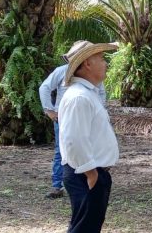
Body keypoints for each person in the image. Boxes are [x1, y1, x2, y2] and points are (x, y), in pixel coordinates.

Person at [57, 40, 119, 233]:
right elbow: (72, 140)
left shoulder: (87, 94)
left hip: (91, 173)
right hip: (86, 174)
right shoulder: (79, 97)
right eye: (100, 58)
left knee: (86, 230)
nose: (105, 62)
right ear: (86, 65)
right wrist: (91, 172)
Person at [38, 43, 107, 199]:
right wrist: (49, 110)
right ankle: (58, 185)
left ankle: (87, 181)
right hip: (64, 118)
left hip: (89, 117)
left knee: (88, 148)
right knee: (63, 150)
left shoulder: (93, 75)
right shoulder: (61, 71)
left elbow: (101, 93)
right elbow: (45, 87)